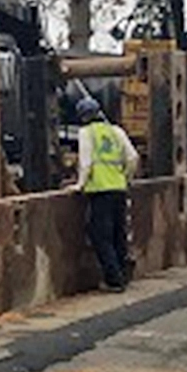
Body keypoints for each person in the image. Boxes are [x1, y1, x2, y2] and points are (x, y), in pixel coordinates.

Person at [73, 96, 140, 292]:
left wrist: (79, 185)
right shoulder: (116, 130)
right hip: (119, 189)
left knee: (100, 236)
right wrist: (126, 177)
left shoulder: (86, 133)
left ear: (83, 117)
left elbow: (86, 163)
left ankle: (114, 280)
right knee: (119, 233)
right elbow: (133, 157)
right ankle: (122, 274)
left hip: (99, 191)